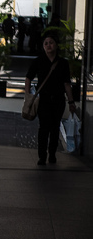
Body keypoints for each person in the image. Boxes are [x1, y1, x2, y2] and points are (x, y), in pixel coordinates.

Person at [25, 33, 76, 166]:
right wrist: (27, 95)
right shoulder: (39, 61)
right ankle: (42, 156)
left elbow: (66, 84)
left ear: (56, 45)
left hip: (59, 100)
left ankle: (52, 154)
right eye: (46, 43)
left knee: (55, 128)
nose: (48, 45)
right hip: (43, 101)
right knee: (43, 128)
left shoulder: (63, 63)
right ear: (43, 46)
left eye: (51, 42)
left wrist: (71, 102)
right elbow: (28, 77)